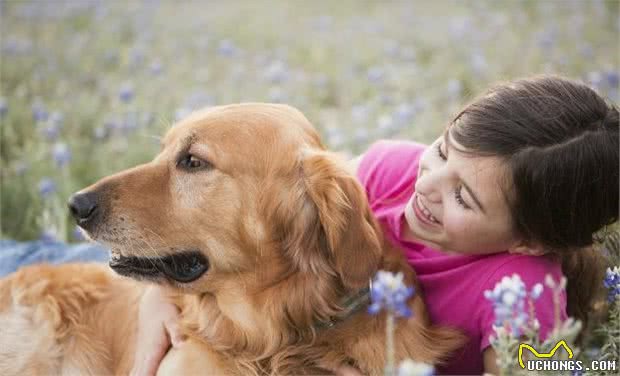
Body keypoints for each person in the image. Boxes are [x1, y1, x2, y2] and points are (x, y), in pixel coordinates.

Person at [130, 75, 619, 375]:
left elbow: (568, 368)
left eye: (462, 197)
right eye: (445, 150)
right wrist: (159, 284)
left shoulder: (526, 292)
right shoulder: (393, 169)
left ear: (528, 241)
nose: (426, 187)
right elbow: (279, 227)